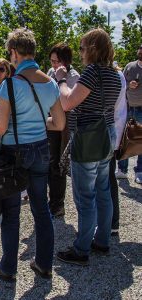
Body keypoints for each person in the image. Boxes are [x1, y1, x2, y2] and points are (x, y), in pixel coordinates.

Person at [0, 28, 65, 281]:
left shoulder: (9, 84)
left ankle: (8, 267)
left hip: (14, 152)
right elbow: (59, 123)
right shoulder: (51, 82)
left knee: (11, 211)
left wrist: (3, 124)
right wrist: (36, 122)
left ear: (14, 52)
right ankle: (44, 264)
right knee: (41, 208)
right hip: (41, 148)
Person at [55, 28, 122, 266]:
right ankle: (102, 241)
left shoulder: (92, 72)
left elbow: (68, 102)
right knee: (103, 189)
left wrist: (61, 79)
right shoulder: (115, 74)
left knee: (85, 195)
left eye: (82, 48)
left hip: (89, 135)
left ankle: (81, 249)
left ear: (92, 48)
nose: (81, 52)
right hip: (107, 132)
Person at [47, 43, 80, 217]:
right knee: (49, 162)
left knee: (58, 165)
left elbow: (70, 103)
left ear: (66, 61)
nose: (53, 65)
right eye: (51, 61)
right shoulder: (51, 72)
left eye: (56, 61)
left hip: (66, 125)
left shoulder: (74, 76)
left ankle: (57, 205)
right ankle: (52, 201)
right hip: (50, 121)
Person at [116, 45, 142, 183]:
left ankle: (140, 171)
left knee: (140, 141)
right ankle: (122, 170)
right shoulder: (130, 66)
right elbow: (122, 82)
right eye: (140, 49)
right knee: (124, 138)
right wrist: (129, 83)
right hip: (128, 106)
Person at [110, 69, 127, 236]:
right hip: (114, 131)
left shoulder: (112, 75)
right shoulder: (118, 74)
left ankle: (111, 222)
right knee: (109, 181)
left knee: (107, 181)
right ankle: (112, 222)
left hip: (108, 134)